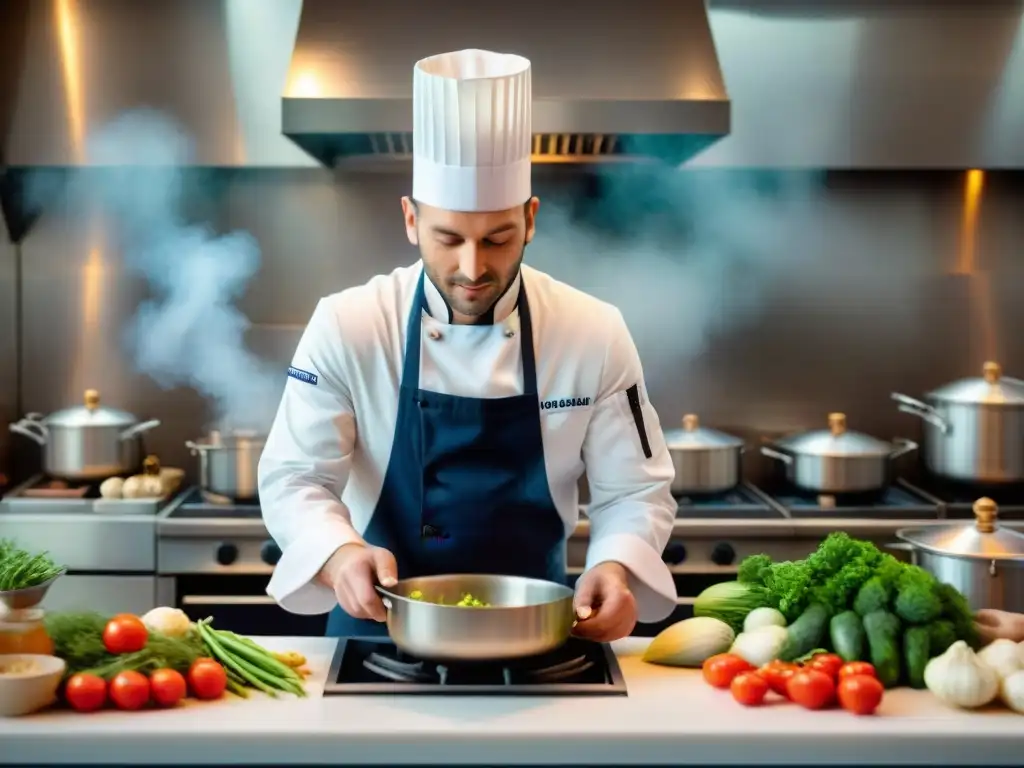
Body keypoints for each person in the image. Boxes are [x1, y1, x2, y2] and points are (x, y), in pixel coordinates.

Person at [257, 48, 678, 642]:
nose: (472, 267)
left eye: (499, 238)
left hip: (540, 631)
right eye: (448, 238)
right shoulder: (347, 324)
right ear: (410, 219)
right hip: (377, 629)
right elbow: (295, 478)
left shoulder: (593, 330)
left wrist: (619, 565)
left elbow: (635, 488)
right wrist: (336, 552)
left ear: (531, 219)